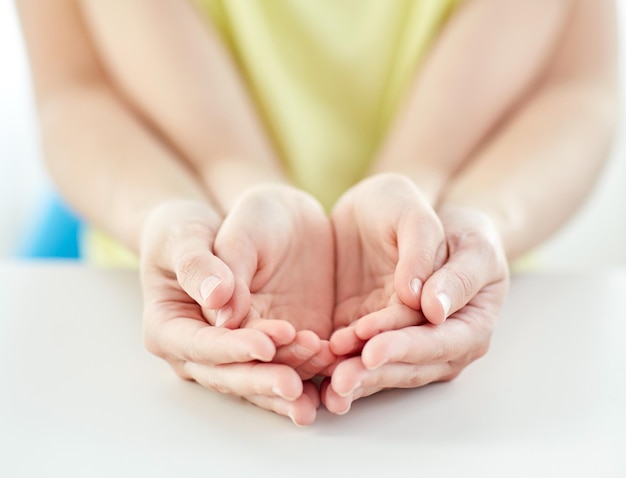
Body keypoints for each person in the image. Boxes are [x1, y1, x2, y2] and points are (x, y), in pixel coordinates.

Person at [17, 0, 618, 426]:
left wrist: (473, 226)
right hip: (170, 292)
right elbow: (76, 89)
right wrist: (173, 220)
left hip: (467, 302)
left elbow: (577, 89)